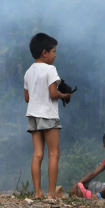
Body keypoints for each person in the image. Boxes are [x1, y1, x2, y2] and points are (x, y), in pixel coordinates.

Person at [24, 33, 73, 199]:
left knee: (37, 154)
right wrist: (65, 96)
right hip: (48, 115)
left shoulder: (28, 71)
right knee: (54, 153)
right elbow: (53, 94)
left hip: (32, 115)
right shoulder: (50, 69)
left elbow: (27, 98)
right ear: (45, 52)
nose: (55, 55)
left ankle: (38, 192)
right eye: (53, 51)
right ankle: (51, 194)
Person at [70, 131, 105, 196]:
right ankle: (77, 195)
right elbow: (93, 174)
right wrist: (78, 183)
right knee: (83, 185)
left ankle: (92, 196)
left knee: (103, 191)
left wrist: (98, 193)